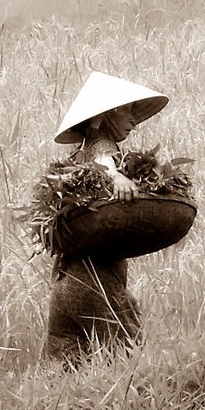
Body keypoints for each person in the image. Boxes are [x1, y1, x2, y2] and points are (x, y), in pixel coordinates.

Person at [42, 71, 169, 364]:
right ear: (106, 115)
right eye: (127, 110)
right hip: (92, 280)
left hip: (66, 277)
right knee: (128, 352)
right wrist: (118, 179)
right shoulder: (102, 149)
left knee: (65, 360)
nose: (134, 119)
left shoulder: (77, 157)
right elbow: (104, 165)